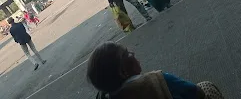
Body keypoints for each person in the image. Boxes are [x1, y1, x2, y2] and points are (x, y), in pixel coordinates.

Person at [87, 42, 224, 99]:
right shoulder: (157, 80)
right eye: (127, 53)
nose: (133, 53)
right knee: (205, 86)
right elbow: (195, 92)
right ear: (123, 72)